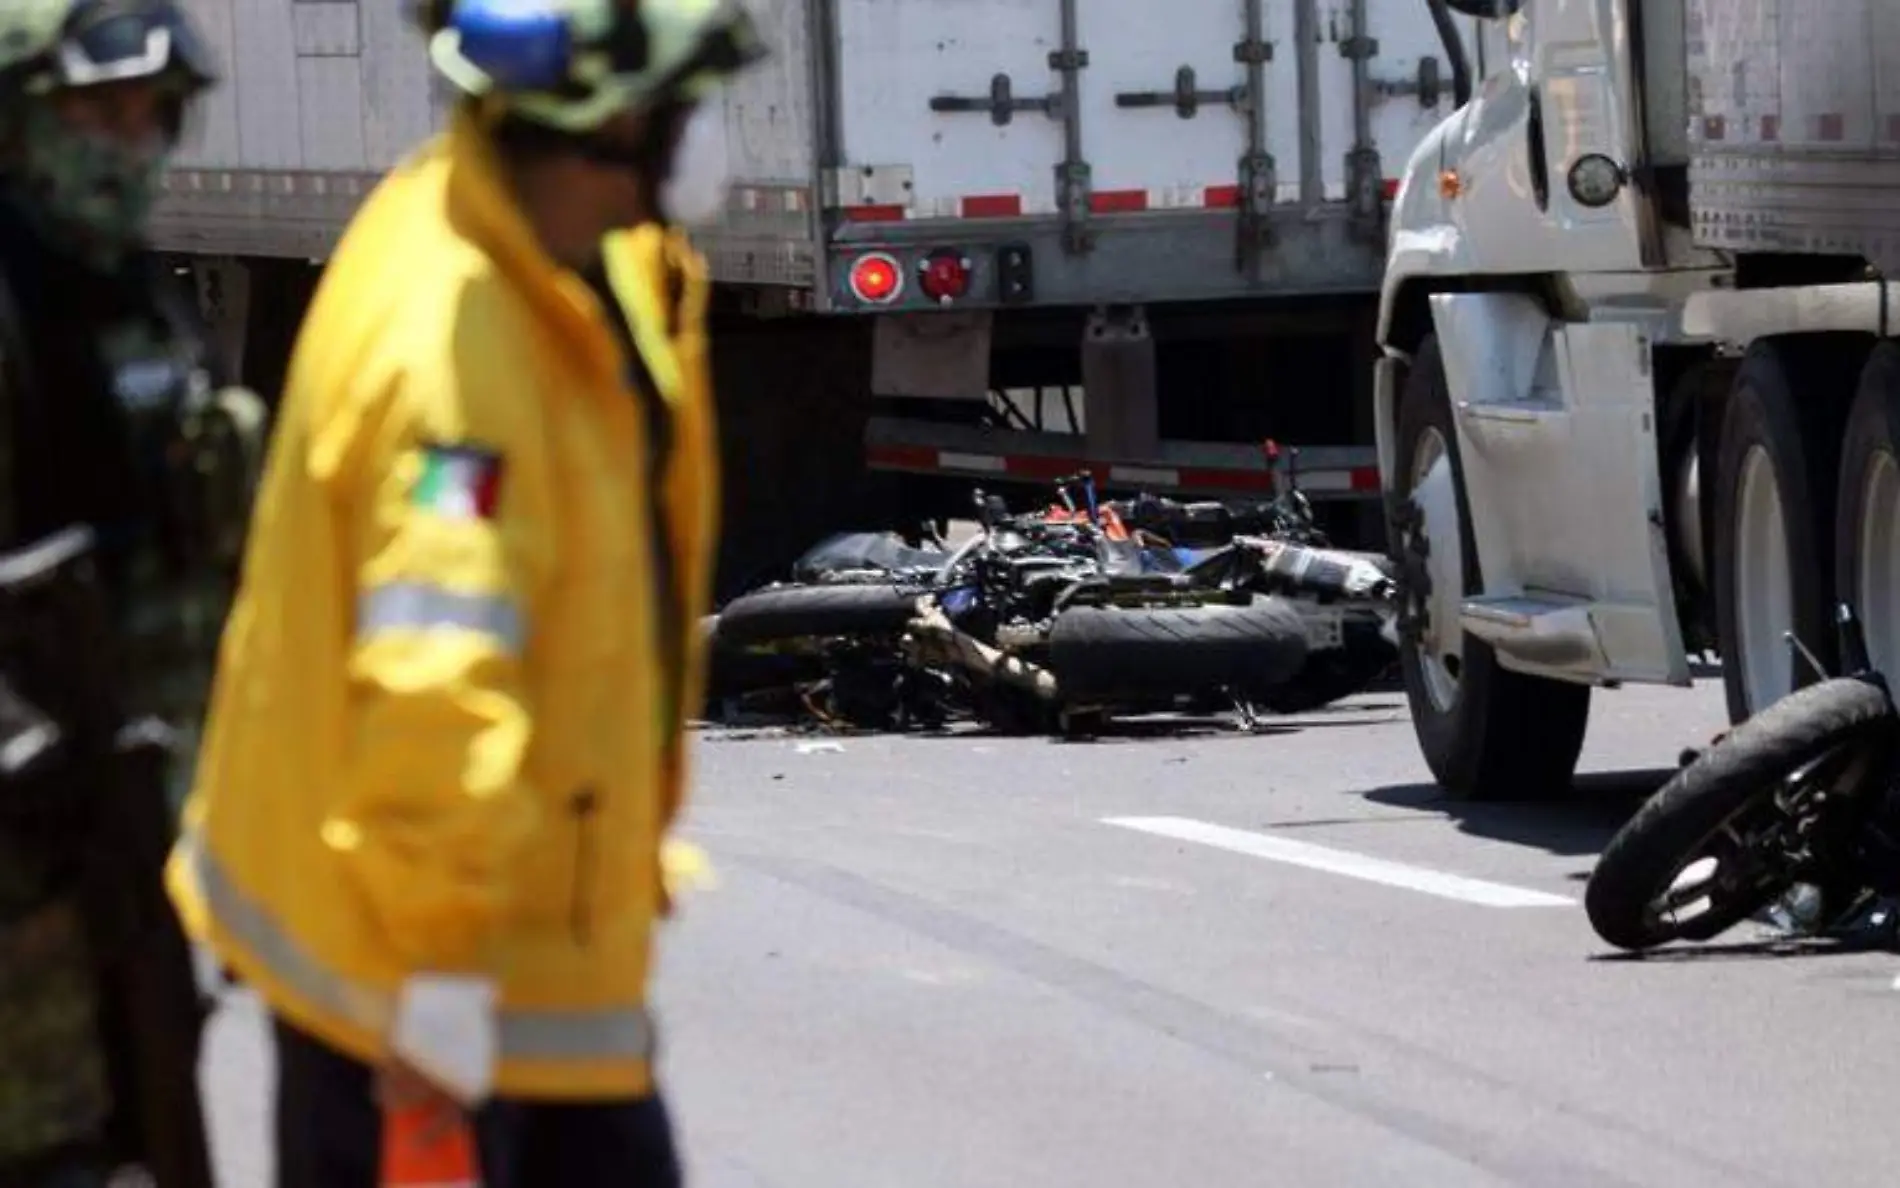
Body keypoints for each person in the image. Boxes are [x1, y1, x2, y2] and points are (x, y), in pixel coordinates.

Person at [164, 0, 766, 1184]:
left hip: (514, 945)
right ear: (612, 124)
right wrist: (434, 984)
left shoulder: (564, 253)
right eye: (685, 105)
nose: (706, 134)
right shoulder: (457, 362)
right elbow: (437, 668)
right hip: (431, 980)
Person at [0, 2, 253, 1186]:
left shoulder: (126, 297)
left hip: (117, 847)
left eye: (153, 113)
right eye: (99, 112)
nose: (132, 141)